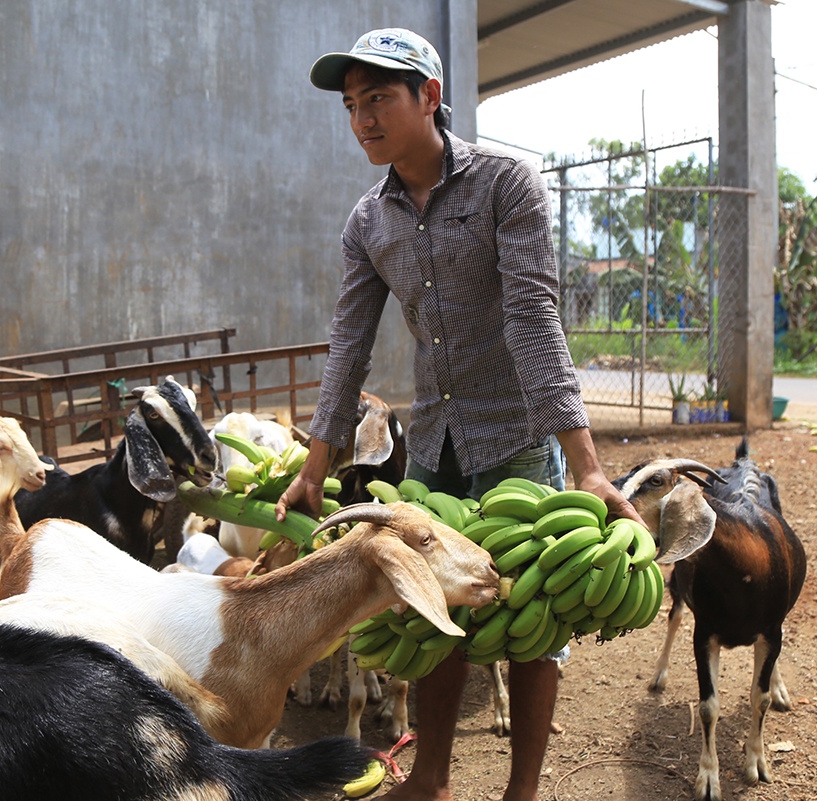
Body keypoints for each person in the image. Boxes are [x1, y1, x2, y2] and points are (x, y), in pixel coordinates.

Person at [274, 28, 643, 801]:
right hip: (435, 438)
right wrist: (314, 467)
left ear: (429, 98)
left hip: (515, 433)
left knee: (533, 611)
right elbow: (349, 345)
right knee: (430, 602)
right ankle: (433, 778)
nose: (362, 119)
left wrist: (585, 466)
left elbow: (533, 318)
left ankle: (521, 791)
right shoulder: (366, 223)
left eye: (378, 98)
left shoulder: (507, 184)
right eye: (351, 105)